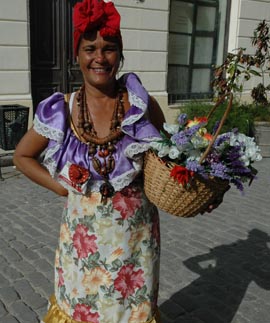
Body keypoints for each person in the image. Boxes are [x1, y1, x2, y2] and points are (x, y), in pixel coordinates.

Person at [13, 1, 165, 322]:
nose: (99, 57)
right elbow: (22, 156)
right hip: (83, 246)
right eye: (90, 48)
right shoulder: (62, 111)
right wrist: (59, 187)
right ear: (77, 56)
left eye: (109, 49)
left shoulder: (140, 106)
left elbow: (167, 157)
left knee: (132, 314)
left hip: (135, 243)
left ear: (120, 56)